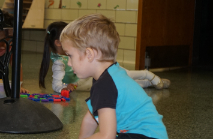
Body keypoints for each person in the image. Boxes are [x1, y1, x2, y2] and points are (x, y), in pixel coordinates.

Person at [48, 14, 184, 139]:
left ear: (90, 54)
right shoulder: (106, 76)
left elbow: (107, 136)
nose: (68, 62)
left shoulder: (106, 84)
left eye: (70, 55)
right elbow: (89, 120)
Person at [39, 21, 171, 93]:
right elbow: (56, 84)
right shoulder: (59, 62)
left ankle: (148, 75)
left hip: (93, 78)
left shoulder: (76, 53)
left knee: (124, 75)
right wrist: (63, 88)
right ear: (58, 43)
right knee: (122, 84)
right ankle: (149, 83)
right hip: (88, 83)